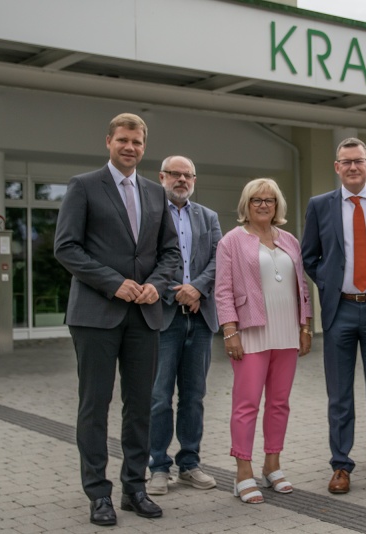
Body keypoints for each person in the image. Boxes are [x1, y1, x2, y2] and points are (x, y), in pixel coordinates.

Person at [54, 113, 180, 526]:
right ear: (108, 141)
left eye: (137, 142)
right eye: (123, 139)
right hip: (95, 315)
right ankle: (98, 494)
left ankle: (134, 489)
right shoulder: (84, 186)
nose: (130, 147)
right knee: (95, 405)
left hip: (145, 314)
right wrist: (115, 284)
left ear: (144, 147)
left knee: (141, 405)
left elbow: (170, 252)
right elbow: (66, 247)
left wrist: (156, 285)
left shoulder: (156, 193)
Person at [301, 137, 366, 494]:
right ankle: (341, 465)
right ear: (337, 167)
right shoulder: (320, 205)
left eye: (358, 161)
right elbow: (309, 256)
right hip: (340, 310)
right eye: (345, 162)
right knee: (339, 395)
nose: (352, 167)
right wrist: (330, 284)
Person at [215, 178, 313, 504]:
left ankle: (273, 465)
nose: (263, 205)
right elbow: (223, 291)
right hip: (251, 332)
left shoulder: (289, 240)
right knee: (246, 404)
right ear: (246, 204)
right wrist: (230, 331)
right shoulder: (231, 241)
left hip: (286, 332)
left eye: (269, 200)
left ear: (277, 205)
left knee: (279, 402)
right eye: (256, 200)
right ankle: (243, 471)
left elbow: (302, 287)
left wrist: (305, 327)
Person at [146, 156, 223, 496]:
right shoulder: (149, 214)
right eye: (174, 174)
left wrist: (198, 289)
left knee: (194, 396)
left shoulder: (208, 217)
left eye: (187, 175)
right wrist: (176, 292)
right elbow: (144, 260)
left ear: (194, 179)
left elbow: (220, 259)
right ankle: (158, 467)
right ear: (162, 177)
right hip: (163, 317)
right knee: (159, 397)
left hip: (200, 318)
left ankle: (190, 463)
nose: (181, 179)